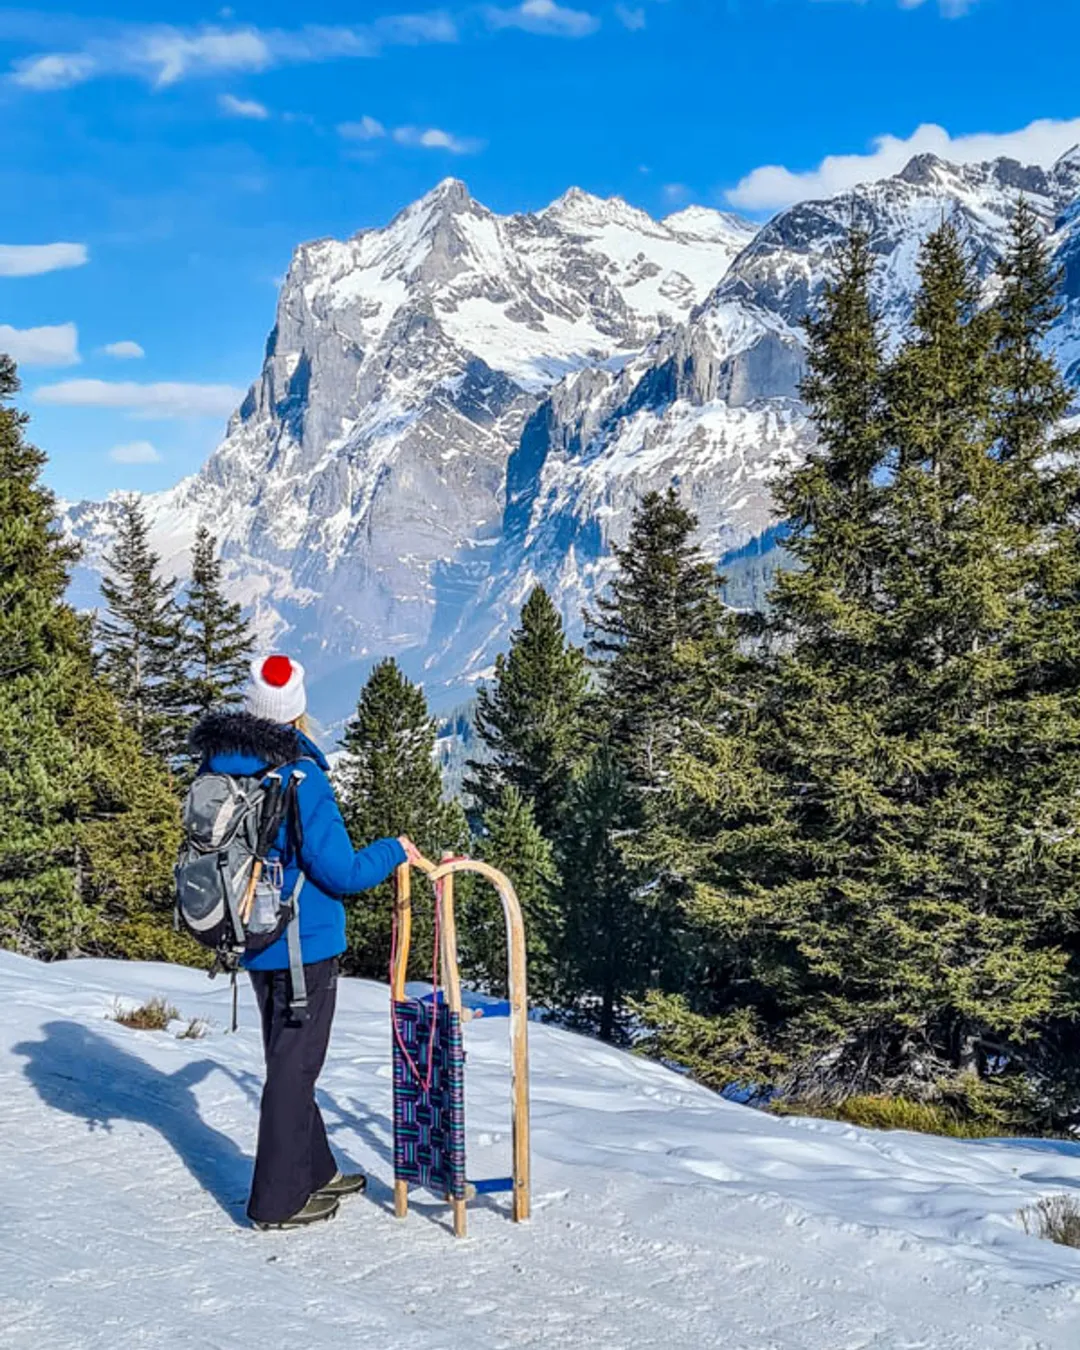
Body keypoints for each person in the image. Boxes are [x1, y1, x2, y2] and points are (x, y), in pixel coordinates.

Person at [189, 653, 424, 1231]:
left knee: (289, 1062)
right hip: (303, 946)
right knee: (294, 1071)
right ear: (298, 712)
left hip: (253, 937)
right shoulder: (301, 775)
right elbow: (340, 871)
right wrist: (395, 850)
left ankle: (315, 1170)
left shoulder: (220, 766)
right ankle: (277, 1201)